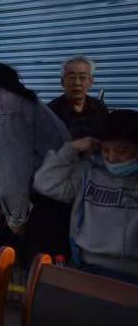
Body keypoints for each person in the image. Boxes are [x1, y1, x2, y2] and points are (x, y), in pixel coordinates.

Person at [0, 49, 71, 265]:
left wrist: (16, 218)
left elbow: (12, 169)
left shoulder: (7, 108)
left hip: (46, 205)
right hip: (43, 198)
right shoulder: (4, 99)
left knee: (36, 273)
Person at [34, 110, 138, 284]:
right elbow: (45, 183)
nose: (112, 158)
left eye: (121, 151)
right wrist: (71, 149)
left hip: (132, 276)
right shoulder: (88, 172)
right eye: (106, 150)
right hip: (87, 268)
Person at [48, 56, 108, 139]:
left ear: (91, 82)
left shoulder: (100, 108)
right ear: (62, 82)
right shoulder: (50, 112)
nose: (77, 83)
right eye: (71, 77)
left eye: (82, 77)